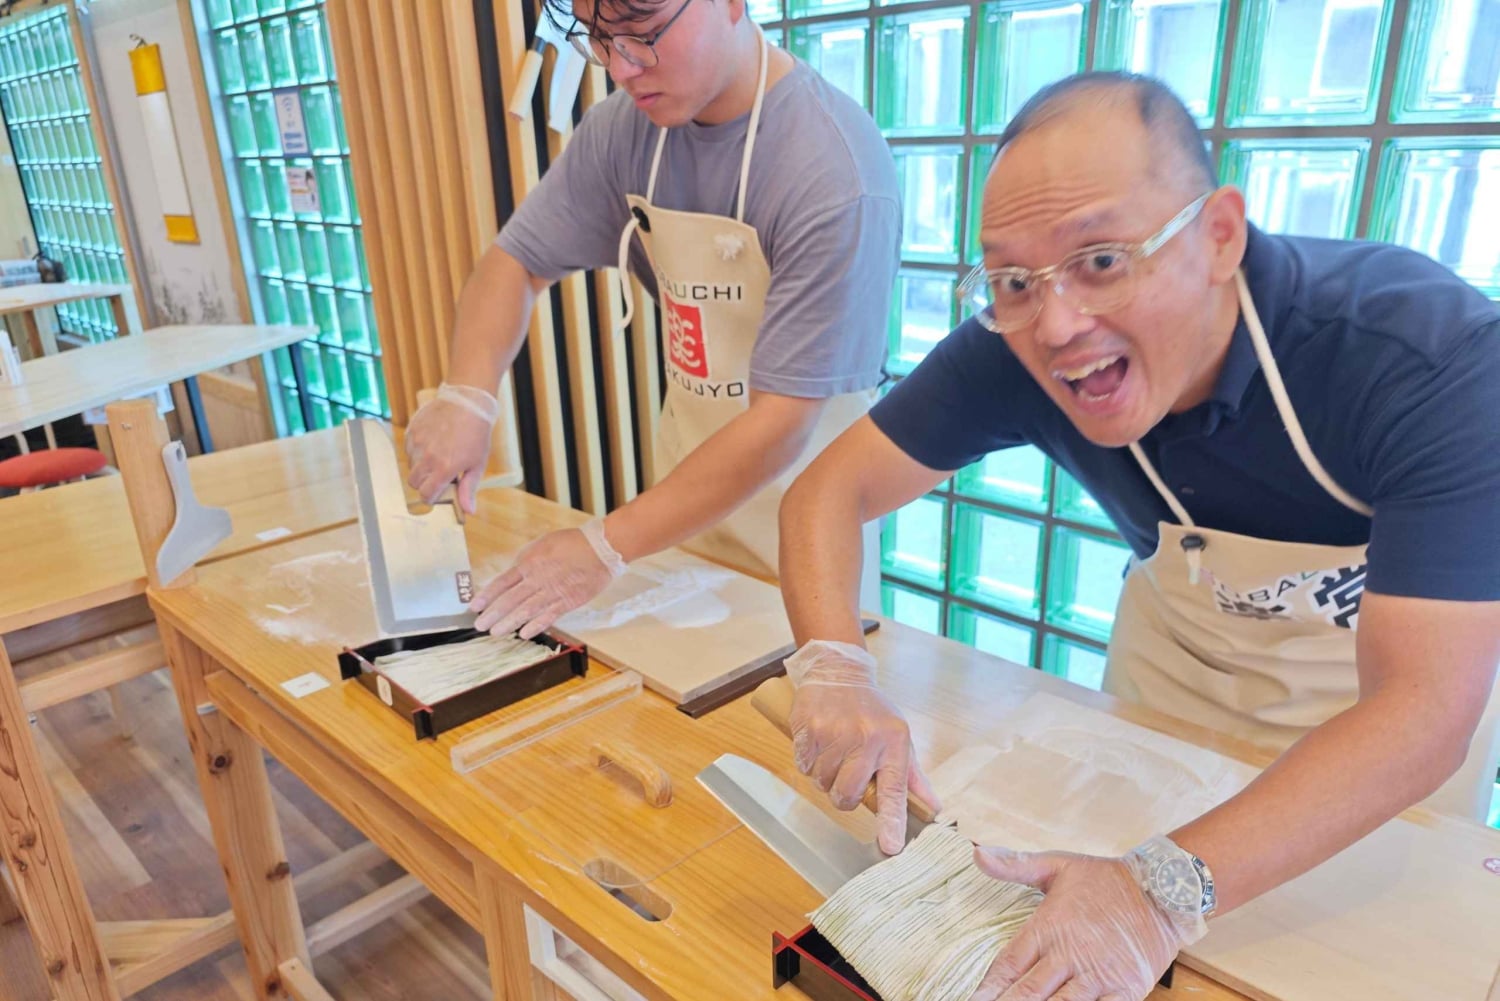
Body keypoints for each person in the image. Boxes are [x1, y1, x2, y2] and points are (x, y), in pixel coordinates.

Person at [777, 71, 1500, 1001]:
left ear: (1219, 236)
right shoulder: (1019, 338)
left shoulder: (1421, 356)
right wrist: (835, 664)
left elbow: (1422, 712)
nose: (1060, 323)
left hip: (1369, 731)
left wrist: (1157, 893)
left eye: (1103, 259)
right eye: (1013, 278)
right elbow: (826, 494)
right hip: (1175, 673)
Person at [403, 0, 899, 638]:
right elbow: (516, 261)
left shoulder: (832, 168)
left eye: (642, 35)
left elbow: (783, 423)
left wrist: (603, 546)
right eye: (600, 41)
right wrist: (467, 396)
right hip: (676, 525)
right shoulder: (626, 131)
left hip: (810, 550)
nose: (621, 69)